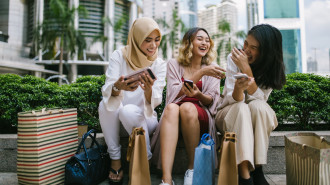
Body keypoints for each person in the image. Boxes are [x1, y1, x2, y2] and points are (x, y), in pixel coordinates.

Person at [150, 27, 226, 185]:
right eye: (199, 38)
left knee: (188, 108)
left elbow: (211, 101)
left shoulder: (212, 66)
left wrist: (198, 95)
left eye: (207, 40)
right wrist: (201, 73)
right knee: (171, 108)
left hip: (200, 114)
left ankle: (192, 169)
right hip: (175, 113)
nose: (204, 42)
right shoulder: (174, 64)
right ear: (188, 43)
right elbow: (172, 95)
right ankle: (167, 178)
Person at [98, 17, 166, 185]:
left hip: (145, 118)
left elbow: (156, 102)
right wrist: (118, 87)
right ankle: (115, 159)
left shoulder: (159, 64)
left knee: (128, 111)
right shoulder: (119, 55)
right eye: (147, 40)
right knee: (105, 103)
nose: (153, 45)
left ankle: (146, 159)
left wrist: (148, 89)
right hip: (118, 118)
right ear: (136, 38)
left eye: (157, 40)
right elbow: (108, 89)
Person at [215, 24, 286, 185]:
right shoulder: (234, 58)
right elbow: (231, 99)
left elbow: (262, 101)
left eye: (253, 47)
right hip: (228, 113)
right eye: (246, 43)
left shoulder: (271, 67)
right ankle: (245, 174)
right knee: (242, 108)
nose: (246, 50)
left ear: (266, 52)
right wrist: (239, 90)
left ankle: (258, 169)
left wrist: (247, 69)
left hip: (253, 114)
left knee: (259, 108)